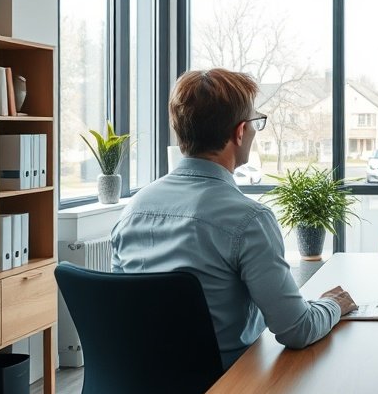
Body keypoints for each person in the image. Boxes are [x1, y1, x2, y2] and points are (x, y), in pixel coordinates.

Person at [111, 68, 356, 368]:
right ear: (240, 132)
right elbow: (296, 330)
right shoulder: (249, 220)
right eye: (255, 122)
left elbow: (120, 315)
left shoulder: (132, 211)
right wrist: (333, 304)